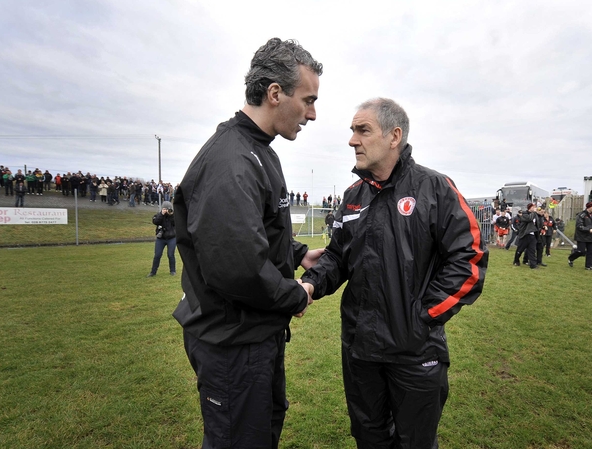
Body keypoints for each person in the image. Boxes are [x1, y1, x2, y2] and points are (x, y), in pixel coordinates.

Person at [301, 98, 487, 448]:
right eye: (352, 131)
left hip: (415, 351)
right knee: (369, 438)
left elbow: (470, 258)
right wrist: (310, 284)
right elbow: (338, 255)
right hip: (360, 350)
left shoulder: (435, 188)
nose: (352, 140)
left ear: (393, 136)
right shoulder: (354, 195)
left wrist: (422, 317)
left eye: (362, 130)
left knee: (415, 441)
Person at [171, 38, 323, 449]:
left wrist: (298, 254)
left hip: (255, 335)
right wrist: (296, 295)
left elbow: (258, 230)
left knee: (262, 432)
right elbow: (239, 267)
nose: (312, 114)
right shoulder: (232, 160)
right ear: (275, 93)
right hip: (232, 343)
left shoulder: (261, 151)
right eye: (308, 100)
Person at [568, 202, 592, 270]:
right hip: (581, 237)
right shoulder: (581, 215)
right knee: (581, 251)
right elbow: (579, 226)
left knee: (591, 252)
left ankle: (589, 266)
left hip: (591, 237)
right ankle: (571, 258)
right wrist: (589, 229)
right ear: (589, 207)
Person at [147, 201, 177, 277]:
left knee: (170, 255)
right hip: (161, 238)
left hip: (171, 238)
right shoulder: (158, 215)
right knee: (157, 255)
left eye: (168, 209)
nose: (167, 210)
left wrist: (171, 215)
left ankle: (172, 271)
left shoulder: (173, 216)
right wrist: (162, 214)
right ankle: (153, 272)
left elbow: (176, 223)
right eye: (165, 209)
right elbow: (155, 222)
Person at [514, 203, 539, 269]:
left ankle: (533, 265)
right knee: (520, 249)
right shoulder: (524, 214)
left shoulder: (534, 215)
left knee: (532, 250)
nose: (535, 208)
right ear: (530, 207)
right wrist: (534, 212)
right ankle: (516, 260)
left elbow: (537, 223)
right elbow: (529, 219)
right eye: (533, 207)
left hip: (532, 235)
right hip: (525, 234)